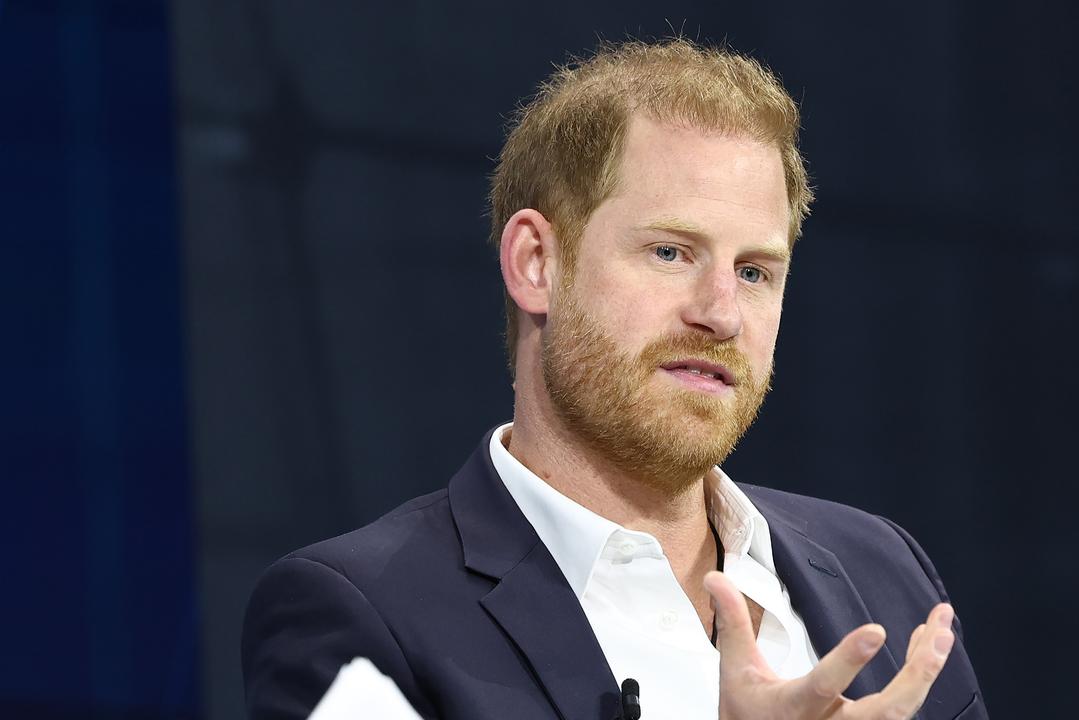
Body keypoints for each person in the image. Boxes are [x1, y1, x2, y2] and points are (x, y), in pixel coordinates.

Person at [242, 38, 987, 719]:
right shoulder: (363, 614)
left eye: (755, 271)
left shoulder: (882, 569)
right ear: (538, 263)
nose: (721, 314)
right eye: (671, 253)